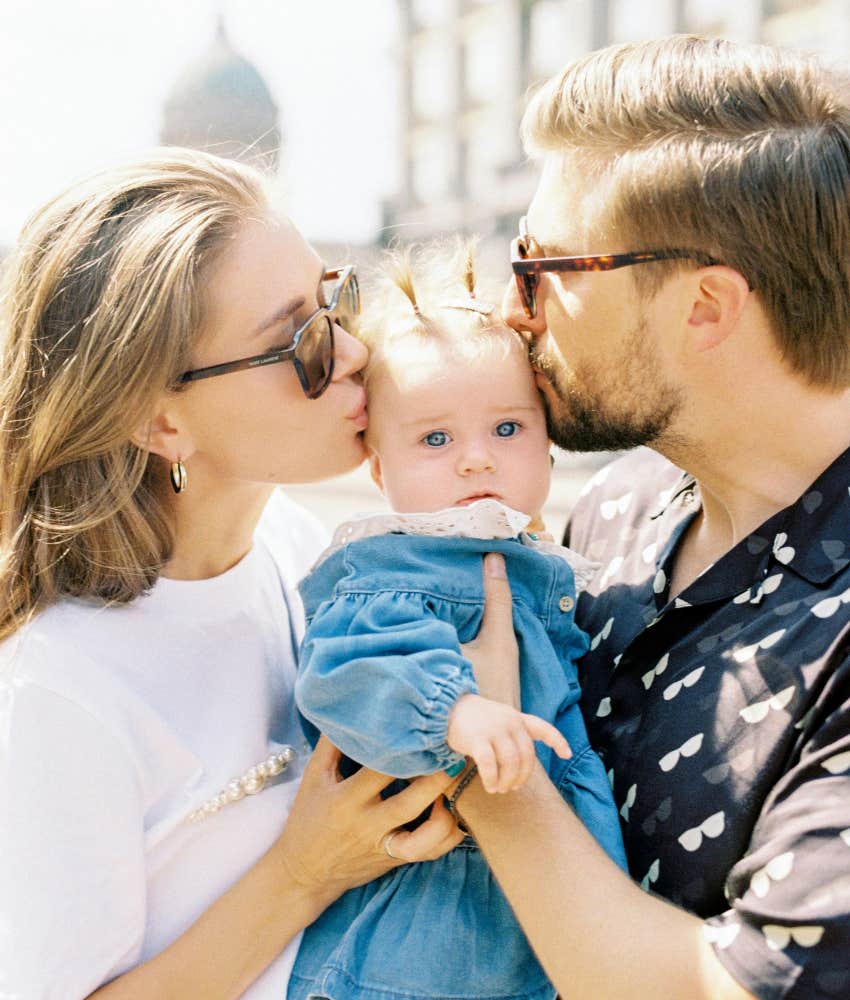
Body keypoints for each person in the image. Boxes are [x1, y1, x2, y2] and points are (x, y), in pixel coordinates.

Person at [0, 149, 463, 999]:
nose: (356, 353)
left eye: (338, 301)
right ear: (159, 420)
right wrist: (303, 873)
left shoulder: (296, 548)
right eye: (304, 343)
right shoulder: (60, 689)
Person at [444, 35, 850, 1000]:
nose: (513, 310)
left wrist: (485, 767)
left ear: (705, 306)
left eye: (544, 267)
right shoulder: (621, 501)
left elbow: (730, 990)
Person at [288, 246, 626, 1000]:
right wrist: (457, 710)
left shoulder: (542, 560)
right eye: (436, 440)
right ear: (381, 472)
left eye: (507, 428)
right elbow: (347, 669)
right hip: (425, 941)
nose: (476, 461)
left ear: (549, 436)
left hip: (546, 919)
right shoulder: (397, 570)